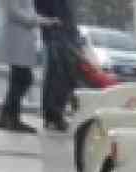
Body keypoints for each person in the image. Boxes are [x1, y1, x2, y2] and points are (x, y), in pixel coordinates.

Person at [0, 0, 54, 133]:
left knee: (19, 79)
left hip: (20, 37)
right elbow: (14, 12)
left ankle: (6, 117)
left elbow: (26, 10)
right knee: (23, 78)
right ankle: (10, 118)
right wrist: (39, 21)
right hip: (15, 37)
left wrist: (44, 20)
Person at [35, 0, 82, 131]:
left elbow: (69, 15)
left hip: (64, 35)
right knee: (57, 77)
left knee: (63, 78)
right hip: (56, 35)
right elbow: (41, 12)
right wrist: (53, 23)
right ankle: (53, 115)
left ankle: (55, 114)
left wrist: (75, 34)